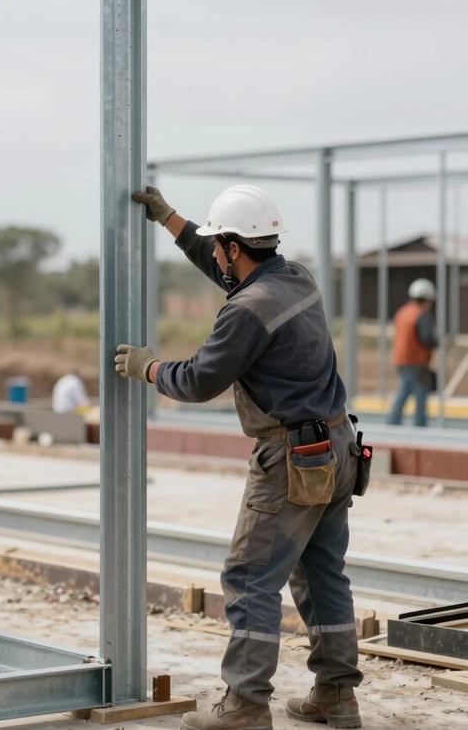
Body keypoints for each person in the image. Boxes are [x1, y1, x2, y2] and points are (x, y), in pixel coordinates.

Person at [114, 184, 363, 730]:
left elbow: (202, 378)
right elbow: (229, 270)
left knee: (250, 578)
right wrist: (172, 221)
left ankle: (246, 706)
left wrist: (150, 370)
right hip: (339, 446)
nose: (217, 255)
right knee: (322, 573)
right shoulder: (296, 278)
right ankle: (338, 696)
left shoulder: (245, 312)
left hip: (293, 459)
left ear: (232, 244)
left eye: (218, 244)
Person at [386, 278, 438, 427]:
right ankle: (420, 427)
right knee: (421, 395)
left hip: (401, 359)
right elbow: (427, 339)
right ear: (427, 299)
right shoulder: (422, 315)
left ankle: (392, 422)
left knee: (403, 392)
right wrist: (439, 342)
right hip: (417, 361)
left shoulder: (403, 312)